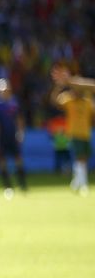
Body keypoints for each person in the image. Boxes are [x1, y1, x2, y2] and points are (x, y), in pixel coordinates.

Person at [51, 66, 95, 195]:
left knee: (83, 158)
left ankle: (77, 181)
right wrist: (59, 86)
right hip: (74, 133)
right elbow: (54, 101)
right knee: (80, 157)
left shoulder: (87, 101)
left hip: (86, 133)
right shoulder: (68, 99)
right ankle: (83, 183)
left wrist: (68, 80)